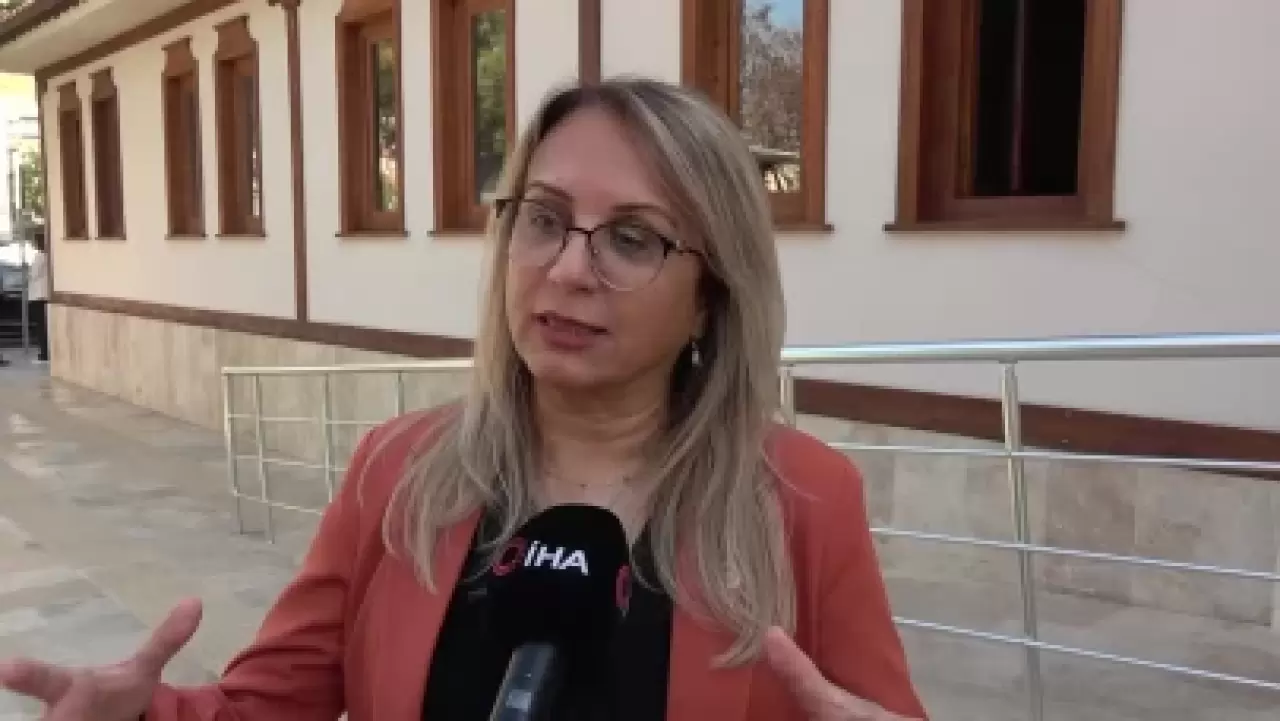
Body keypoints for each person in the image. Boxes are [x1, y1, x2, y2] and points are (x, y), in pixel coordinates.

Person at [0, 78, 927, 721]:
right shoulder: (398, 473)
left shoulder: (804, 501)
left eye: (632, 238)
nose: (569, 269)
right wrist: (141, 713)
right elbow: (262, 708)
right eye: (545, 218)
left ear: (711, 296)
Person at [27, 232, 49, 362]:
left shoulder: (39, 257)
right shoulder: (49, 256)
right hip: (45, 294)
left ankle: (44, 352)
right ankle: (45, 351)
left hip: (38, 295)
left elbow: (33, 274)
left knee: (40, 326)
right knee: (45, 325)